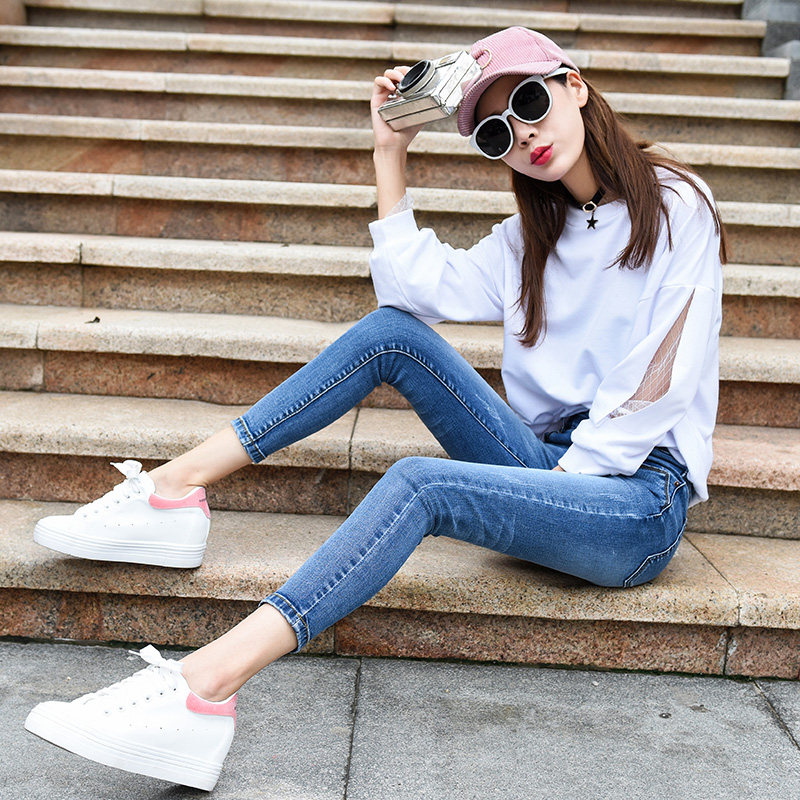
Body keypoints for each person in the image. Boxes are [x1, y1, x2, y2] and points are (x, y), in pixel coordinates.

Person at [23, 26, 726, 792]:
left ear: (575, 86)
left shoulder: (677, 204)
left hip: (634, 499)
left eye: (529, 102)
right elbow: (410, 292)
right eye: (497, 132)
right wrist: (390, 152)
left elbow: (664, 374)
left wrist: (559, 487)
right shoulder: (531, 236)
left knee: (420, 483)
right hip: (548, 464)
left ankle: (204, 688)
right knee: (393, 334)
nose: (523, 134)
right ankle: (172, 489)